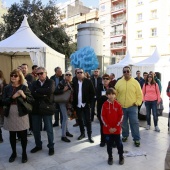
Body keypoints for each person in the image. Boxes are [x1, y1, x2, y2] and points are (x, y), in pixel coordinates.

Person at [2, 69, 34, 163]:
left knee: (23, 135)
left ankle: (24, 153)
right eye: (11, 75)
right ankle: (14, 153)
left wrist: (23, 95)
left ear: (19, 77)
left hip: (22, 113)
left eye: (15, 76)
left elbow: (31, 100)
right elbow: (3, 101)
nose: (13, 77)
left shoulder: (24, 87)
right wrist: (13, 97)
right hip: (10, 112)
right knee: (12, 135)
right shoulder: (7, 88)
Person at [115, 66, 142, 147]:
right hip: (121, 107)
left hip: (132, 106)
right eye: (124, 71)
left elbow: (140, 95)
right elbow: (115, 94)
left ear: (130, 72)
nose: (126, 73)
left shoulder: (135, 82)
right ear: (122, 73)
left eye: (127, 71)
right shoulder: (119, 82)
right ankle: (125, 135)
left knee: (134, 122)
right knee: (124, 123)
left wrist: (137, 103)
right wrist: (116, 103)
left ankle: (136, 139)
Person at [31, 67, 55, 156]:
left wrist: (38, 91)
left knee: (49, 128)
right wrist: (43, 94)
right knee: (36, 129)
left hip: (47, 108)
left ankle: (51, 146)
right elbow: (32, 93)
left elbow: (50, 91)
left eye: (41, 73)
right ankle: (38, 145)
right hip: (36, 109)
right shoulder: (34, 83)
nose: (40, 75)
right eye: (38, 74)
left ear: (46, 73)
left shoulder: (51, 82)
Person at [101, 88, 124, 165]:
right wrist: (109, 127)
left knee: (119, 144)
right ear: (107, 95)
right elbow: (102, 117)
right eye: (109, 94)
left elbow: (121, 116)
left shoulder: (118, 105)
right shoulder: (104, 105)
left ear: (115, 95)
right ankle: (110, 157)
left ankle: (121, 156)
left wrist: (116, 127)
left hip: (116, 130)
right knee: (109, 144)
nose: (111, 96)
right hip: (107, 130)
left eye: (112, 94)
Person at [73, 68, 95, 143]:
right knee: (80, 120)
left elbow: (92, 93)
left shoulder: (88, 81)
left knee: (88, 121)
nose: (79, 74)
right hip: (78, 105)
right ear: (76, 74)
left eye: (81, 72)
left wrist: (89, 103)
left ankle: (89, 135)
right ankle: (82, 133)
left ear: (83, 73)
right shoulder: (74, 82)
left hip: (86, 105)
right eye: (78, 73)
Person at [54, 71, 73, 142]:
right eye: (66, 75)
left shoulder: (71, 83)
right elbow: (55, 92)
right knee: (65, 118)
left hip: (68, 103)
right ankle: (63, 135)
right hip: (62, 102)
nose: (68, 76)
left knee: (66, 117)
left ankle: (66, 131)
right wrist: (63, 90)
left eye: (69, 75)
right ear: (65, 76)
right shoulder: (62, 82)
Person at [97, 74, 112, 147]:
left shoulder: (112, 88)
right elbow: (98, 98)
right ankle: (103, 140)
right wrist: (107, 97)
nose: (105, 80)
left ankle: (111, 141)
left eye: (107, 78)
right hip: (101, 110)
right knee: (103, 126)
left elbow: (113, 98)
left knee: (111, 126)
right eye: (104, 79)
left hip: (111, 111)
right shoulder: (99, 87)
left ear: (109, 80)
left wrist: (105, 97)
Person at [21, 63, 35, 135]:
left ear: (27, 69)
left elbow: (29, 87)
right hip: (21, 99)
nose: (23, 69)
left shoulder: (30, 77)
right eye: (22, 68)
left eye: (25, 68)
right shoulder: (19, 76)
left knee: (29, 115)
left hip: (28, 99)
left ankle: (31, 129)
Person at [0, 70, 7, 143]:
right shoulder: (3, 81)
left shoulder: (3, 82)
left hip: (2, 102)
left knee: (2, 115)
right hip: (2, 102)